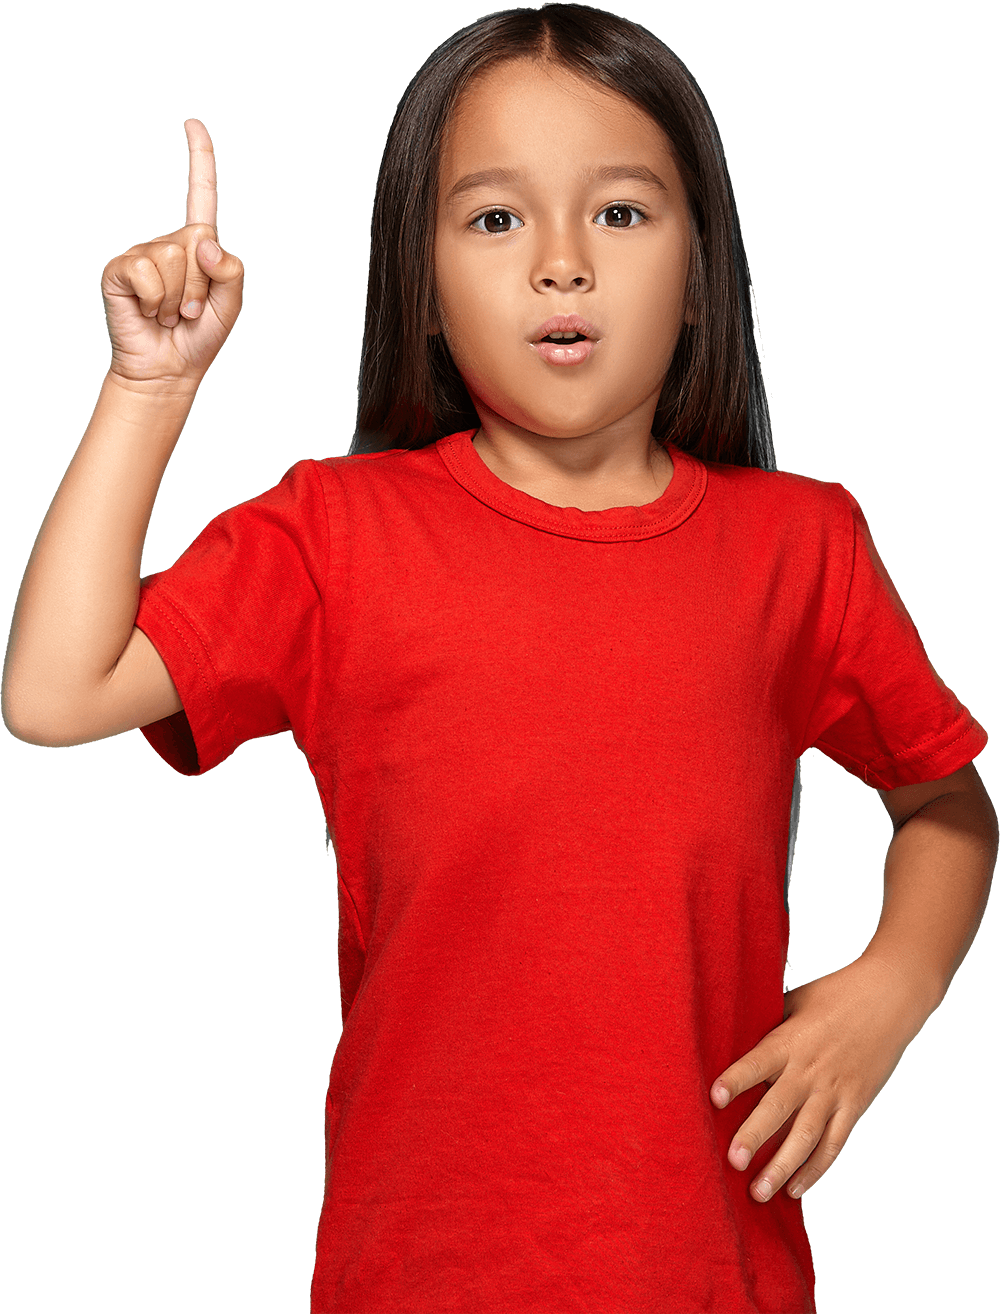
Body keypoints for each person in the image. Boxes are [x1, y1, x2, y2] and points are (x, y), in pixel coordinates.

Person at [3, 5, 995, 1312]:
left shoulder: (802, 544)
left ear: (702, 269)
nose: (563, 266)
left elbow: (945, 797)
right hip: (414, 1273)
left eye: (624, 214)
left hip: (714, 1273)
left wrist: (894, 987)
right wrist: (149, 390)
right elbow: (55, 689)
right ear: (418, 283)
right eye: (494, 218)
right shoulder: (335, 535)